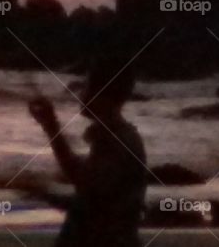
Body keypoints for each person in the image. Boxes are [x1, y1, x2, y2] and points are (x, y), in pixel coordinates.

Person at [29, 64, 147, 247]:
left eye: (86, 86)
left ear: (100, 93)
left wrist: (41, 193)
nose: (81, 93)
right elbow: (82, 177)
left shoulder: (117, 140)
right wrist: (50, 124)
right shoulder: (118, 137)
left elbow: (88, 191)